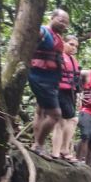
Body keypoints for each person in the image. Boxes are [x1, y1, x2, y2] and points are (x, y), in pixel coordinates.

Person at [29, 9, 69, 156]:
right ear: (52, 17)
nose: (63, 24)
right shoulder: (43, 31)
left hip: (51, 80)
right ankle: (39, 144)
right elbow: (30, 39)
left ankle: (36, 144)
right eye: (61, 20)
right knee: (55, 114)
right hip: (40, 78)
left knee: (41, 111)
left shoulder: (57, 36)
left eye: (66, 23)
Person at [51, 35, 82, 161]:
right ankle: (59, 151)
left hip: (69, 92)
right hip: (59, 91)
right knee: (65, 121)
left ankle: (60, 151)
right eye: (71, 44)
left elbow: (76, 79)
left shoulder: (73, 60)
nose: (73, 47)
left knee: (67, 121)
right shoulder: (58, 56)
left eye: (75, 46)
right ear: (63, 43)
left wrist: (79, 93)